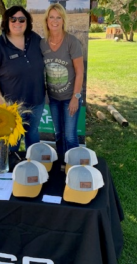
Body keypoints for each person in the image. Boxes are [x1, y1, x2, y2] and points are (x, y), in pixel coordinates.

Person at [0, 6, 45, 152]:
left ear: (27, 22)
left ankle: (34, 168)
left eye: (22, 19)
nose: (18, 23)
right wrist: (2, 103)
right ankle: (10, 171)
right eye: (13, 19)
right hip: (9, 106)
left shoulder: (34, 39)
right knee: (11, 142)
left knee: (33, 134)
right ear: (7, 21)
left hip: (36, 101)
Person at [40, 3, 84, 155]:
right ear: (47, 20)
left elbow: (79, 72)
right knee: (58, 134)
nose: (55, 21)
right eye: (51, 17)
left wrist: (75, 98)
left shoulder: (71, 42)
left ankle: (73, 169)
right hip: (53, 99)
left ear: (63, 20)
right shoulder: (42, 43)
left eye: (58, 17)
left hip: (70, 97)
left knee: (70, 136)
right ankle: (61, 164)